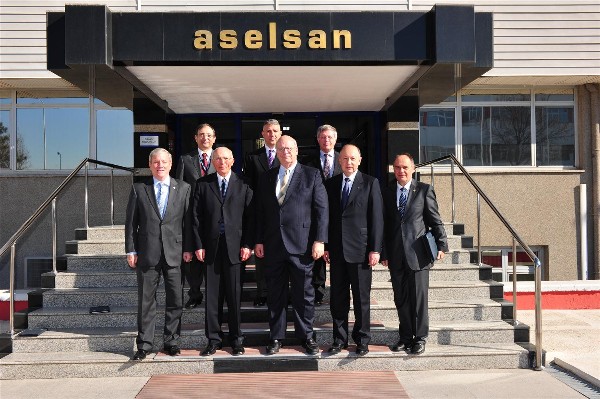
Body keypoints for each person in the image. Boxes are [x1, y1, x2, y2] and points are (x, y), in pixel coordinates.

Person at [254, 135, 328, 355]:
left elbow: (321, 211)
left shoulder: (312, 174)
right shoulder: (266, 177)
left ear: (297, 150)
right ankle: (276, 337)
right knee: (275, 294)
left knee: (303, 295)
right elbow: (260, 212)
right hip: (273, 245)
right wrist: (258, 239)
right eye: (281, 148)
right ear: (276, 152)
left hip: (303, 246)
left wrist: (320, 240)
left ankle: (306, 337)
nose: (285, 151)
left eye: (289, 148)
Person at [125, 148, 193, 361]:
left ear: (171, 164)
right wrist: (131, 249)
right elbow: (131, 224)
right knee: (146, 301)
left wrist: (189, 248)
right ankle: (144, 344)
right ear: (150, 164)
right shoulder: (139, 189)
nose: (160, 165)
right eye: (156, 162)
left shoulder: (184, 188)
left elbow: (188, 223)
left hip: (175, 253)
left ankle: (171, 341)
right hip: (148, 254)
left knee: (175, 299)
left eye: (164, 162)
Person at [381, 153, 448, 355]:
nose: (401, 171)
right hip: (395, 254)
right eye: (397, 167)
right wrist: (384, 251)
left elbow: (435, 219)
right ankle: (405, 336)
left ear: (413, 169)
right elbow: (383, 224)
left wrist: (442, 245)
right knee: (400, 298)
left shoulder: (424, 190)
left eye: (405, 167)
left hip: (418, 254)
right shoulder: (387, 190)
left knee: (418, 299)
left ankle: (420, 338)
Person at [190, 147, 253, 356]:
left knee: (234, 297)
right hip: (211, 249)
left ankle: (237, 340)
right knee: (213, 298)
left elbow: (250, 218)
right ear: (212, 162)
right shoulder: (202, 185)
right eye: (218, 158)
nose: (222, 162)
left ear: (233, 160)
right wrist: (198, 245)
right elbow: (195, 219)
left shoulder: (244, 184)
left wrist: (248, 244)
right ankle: (214, 340)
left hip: (236, 250)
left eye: (226, 158)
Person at [323, 144, 383, 356]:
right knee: (338, 299)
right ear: (339, 161)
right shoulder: (331, 184)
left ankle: (362, 339)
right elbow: (326, 218)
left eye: (352, 159)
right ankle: (339, 339)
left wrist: (375, 249)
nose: (349, 162)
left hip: (361, 251)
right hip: (337, 252)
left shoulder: (370, 183)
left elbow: (376, 219)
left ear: (359, 160)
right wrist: (327, 245)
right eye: (345, 159)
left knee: (361, 299)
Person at [175, 123, 217, 309]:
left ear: (214, 138)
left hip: (214, 216)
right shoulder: (185, 159)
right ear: (195, 138)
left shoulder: (221, 157)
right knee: (192, 259)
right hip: (191, 215)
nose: (205, 138)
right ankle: (194, 294)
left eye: (208, 135)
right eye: (201, 135)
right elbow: (178, 189)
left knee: (214, 256)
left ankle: (214, 294)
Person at [242, 119, 281, 307]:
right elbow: (249, 185)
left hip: (283, 213)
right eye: (268, 131)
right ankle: (262, 292)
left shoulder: (286, 155)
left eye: (275, 131)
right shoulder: (253, 157)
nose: (272, 134)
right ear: (262, 134)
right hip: (261, 213)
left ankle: (282, 293)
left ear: (280, 133)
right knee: (261, 256)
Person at [303, 124, 342, 306]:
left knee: (336, 252)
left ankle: (338, 289)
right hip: (315, 214)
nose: (326, 140)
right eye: (323, 137)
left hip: (338, 214)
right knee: (317, 251)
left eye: (330, 137)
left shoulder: (344, 159)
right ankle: (317, 291)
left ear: (335, 139)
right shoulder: (308, 162)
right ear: (318, 139)